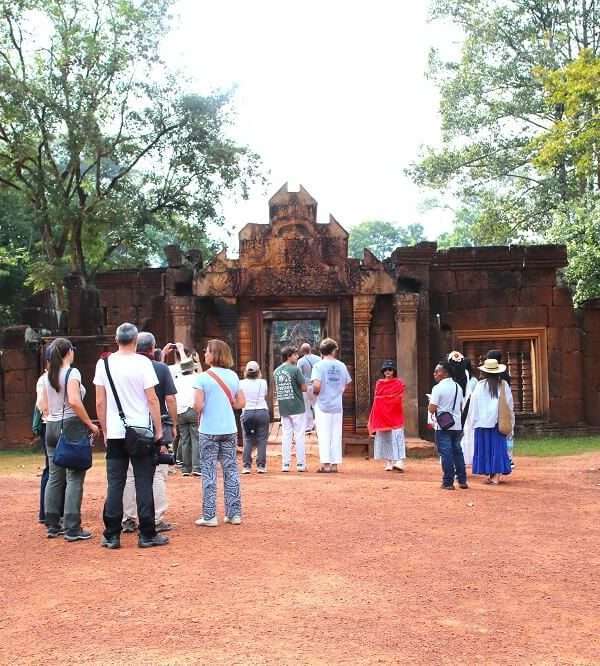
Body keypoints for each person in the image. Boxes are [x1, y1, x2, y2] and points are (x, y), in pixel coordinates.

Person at [94, 322, 168, 549]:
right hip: (142, 432)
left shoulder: (103, 364)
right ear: (135, 341)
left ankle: (112, 535)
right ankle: (147, 534)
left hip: (116, 432)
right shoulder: (143, 363)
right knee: (144, 481)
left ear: (116, 340)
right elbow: (153, 399)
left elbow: (99, 401)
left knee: (115, 483)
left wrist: (106, 431)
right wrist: (159, 430)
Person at [39, 338, 99, 540]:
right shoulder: (72, 372)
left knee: (55, 476)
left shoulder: (48, 375)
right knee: (75, 476)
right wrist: (90, 424)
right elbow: (74, 400)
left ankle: (52, 524)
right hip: (71, 425)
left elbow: (45, 405)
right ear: (68, 352)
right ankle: (72, 526)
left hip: (51, 426)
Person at [121, 332, 178, 534]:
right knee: (158, 473)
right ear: (153, 348)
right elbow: (170, 398)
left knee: (129, 473)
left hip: (131, 427)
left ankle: (128, 518)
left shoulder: (125, 367)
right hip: (156, 424)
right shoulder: (161, 369)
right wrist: (174, 423)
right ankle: (156, 517)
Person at [193, 339, 245, 527]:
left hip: (208, 430)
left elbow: (197, 405)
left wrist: (207, 406)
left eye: (206, 351)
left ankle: (209, 516)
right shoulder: (233, 376)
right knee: (231, 471)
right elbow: (241, 403)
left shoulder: (202, 378)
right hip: (229, 429)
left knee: (209, 472)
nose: (204, 354)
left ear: (213, 354)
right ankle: (234, 514)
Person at [468, 358, 514, 484]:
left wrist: (472, 421)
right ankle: (496, 475)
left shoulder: (480, 386)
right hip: (497, 422)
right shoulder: (503, 385)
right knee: (497, 448)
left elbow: (474, 404)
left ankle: (491, 474)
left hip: (482, 423)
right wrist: (511, 420)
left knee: (485, 449)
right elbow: (509, 404)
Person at [311, 338, 352, 473]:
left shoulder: (319, 366)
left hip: (323, 404)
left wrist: (316, 394)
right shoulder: (341, 365)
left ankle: (325, 464)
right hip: (337, 404)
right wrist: (338, 392)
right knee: (336, 434)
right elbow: (346, 383)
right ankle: (335, 464)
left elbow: (316, 385)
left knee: (323, 434)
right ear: (334, 350)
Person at [428, 361, 468, 490]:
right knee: (458, 452)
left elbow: (432, 408)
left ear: (444, 373)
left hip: (443, 426)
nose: (435, 374)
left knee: (446, 453)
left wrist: (431, 406)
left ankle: (448, 482)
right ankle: (462, 480)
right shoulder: (458, 387)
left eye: (437, 371)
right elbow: (461, 406)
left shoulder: (437, 388)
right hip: (456, 424)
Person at [368, 360, 406, 472]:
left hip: (395, 414)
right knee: (385, 439)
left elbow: (397, 397)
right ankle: (388, 461)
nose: (388, 371)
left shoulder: (399, 383)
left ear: (394, 371)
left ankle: (399, 461)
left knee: (397, 437)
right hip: (382, 415)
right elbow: (377, 400)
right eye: (385, 370)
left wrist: (388, 400)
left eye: (390, 369)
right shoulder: (379, 383)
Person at [273, 346, 307, 472]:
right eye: (295, 355)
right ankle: (300, 464)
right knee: (299, 435)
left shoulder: (276, 371)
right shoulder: (295, 370)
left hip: (284, 406)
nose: (297, 357)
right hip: (297, 406)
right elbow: (304, 388)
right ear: (289, 356)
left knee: (286, 436)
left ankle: (285, 465)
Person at [239, 360, 270, 474]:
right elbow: (265, 394)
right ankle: (261, 466)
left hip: (247, 412)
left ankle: (246, 466)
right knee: (262, 439)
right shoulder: (263, 382)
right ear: (258, 371)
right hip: (262, 411)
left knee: (248, 439)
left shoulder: (241, 383)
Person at [486, 349, 515, 466]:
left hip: (492, 412)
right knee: (507, 433)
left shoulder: (489, 380)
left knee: (497, 438)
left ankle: (500, 460)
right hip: (504, 409)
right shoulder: (505, 376)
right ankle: (509, 458)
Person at [174, 357, 200, 476]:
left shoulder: (177, 380)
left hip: (180, 411)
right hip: (193, 409)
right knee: (195, 438)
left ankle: (186, 468)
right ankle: (196, 467)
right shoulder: (196, 378)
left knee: (184, 439)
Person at [297, 343, 320, 433]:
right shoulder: (318, 359)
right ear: (311, 349)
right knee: (317, 405)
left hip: (306, 387)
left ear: (302, 351)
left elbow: (299, 375)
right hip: (316, 385)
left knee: (306, 406)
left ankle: (308, 426)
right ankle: (318, 424)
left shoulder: (300, 361)